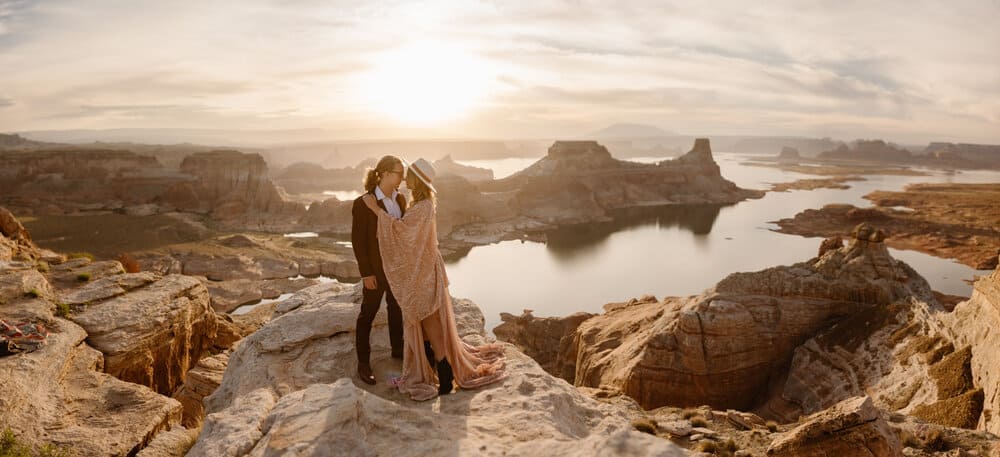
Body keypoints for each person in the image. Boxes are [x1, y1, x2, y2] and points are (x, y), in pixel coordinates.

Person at [362, 158, 505, 400]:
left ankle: (445, 375)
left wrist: (376, 210)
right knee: (426, 321)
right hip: (424, 269)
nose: (405, 178)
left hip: (424, 272)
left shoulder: (423, 206)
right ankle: (439, 371)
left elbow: (402, 232)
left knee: (429, 321)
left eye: (408, 175)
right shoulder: (421, 203)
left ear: (416, 180)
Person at [351, 155, 407, 385]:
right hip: (376, 270)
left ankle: (398, 351)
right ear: (384, 174)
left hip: (397, 269)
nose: (402, 178)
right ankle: (363, 364)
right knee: (367, 314)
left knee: (396, 311)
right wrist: (366, 274)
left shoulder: (401, 200)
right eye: (398, 173)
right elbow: (358, 241)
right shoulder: (364, 202)